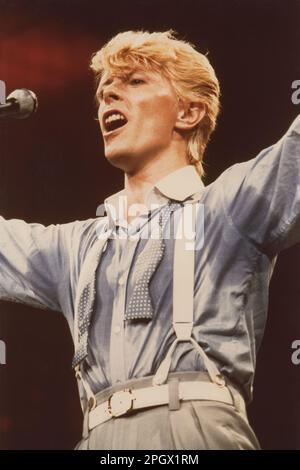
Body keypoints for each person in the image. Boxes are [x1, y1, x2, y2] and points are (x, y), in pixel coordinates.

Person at [1, 29, 299, 450]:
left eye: (134, 82)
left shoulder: (229, 208)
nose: (109, 96)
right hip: (98, 439)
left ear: (189, 111)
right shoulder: (74, 247)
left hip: (195, 431)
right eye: (104, 92)